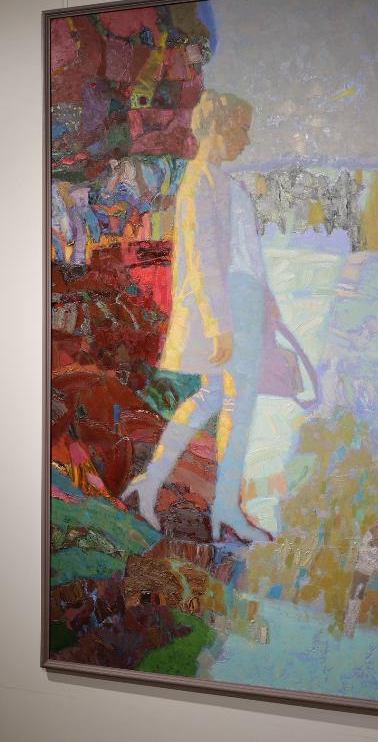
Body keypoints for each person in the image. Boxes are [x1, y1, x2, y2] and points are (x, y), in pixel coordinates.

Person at [121, 91, 273, 544]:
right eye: (242, 128)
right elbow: (204, 262)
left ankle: (155, 485)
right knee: (234, 405)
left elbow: (244, 257)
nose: (247, 140)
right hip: (228, 310)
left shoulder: (222, 182)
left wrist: (264, 306)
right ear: (220, 127)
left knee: (215, 398)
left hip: (242, 305)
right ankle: (221, 506)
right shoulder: (199, 182)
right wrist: (218, 324)